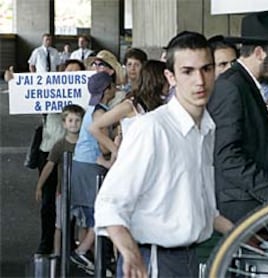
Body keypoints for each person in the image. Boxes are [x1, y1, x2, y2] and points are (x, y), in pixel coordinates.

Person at [94, 31, 233, 278]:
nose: (199, 81)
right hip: (154, 260)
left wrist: (246, 235)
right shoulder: (152, 128)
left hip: (188, 258)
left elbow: (204, 211)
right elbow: (109, 203)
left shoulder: (207, 129)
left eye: (206, 69)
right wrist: (131, 253)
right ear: (170, 76)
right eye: (187, 71)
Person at [207, 11, 268, 222]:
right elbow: (227, 156)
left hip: (252, 204)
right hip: (241, 209)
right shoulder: (232, 86)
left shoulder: (245, 83)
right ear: (259, 52)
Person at [70, 72, 117, 274]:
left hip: (81, 164)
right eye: (113, 86)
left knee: (94, 215)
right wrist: (116, 147)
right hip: (90, 166)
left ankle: (98, 263)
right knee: (100, 214)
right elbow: (104, 148)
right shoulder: (100, 114)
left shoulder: (94, 108)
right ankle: (81, 252)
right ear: (107, 90)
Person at [89, 60, 168, 167]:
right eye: (167, 78)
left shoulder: (161, 103)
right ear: (158, 80)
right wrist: (117, 151)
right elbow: (94, 127)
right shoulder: (129, 105)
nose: (170, 83)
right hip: (133, 163)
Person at [35, 104, 85, 255]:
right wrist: (39, 186)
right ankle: (57, 254)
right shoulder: (59, 145)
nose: (74, 124)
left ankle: (80, 254)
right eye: (70, 120)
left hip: (81, 191)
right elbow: (49, 166)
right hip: (63, 191)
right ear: (64, 123)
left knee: (83, 223)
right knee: (60, 224)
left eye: (77, 120)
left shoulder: (85, 144)